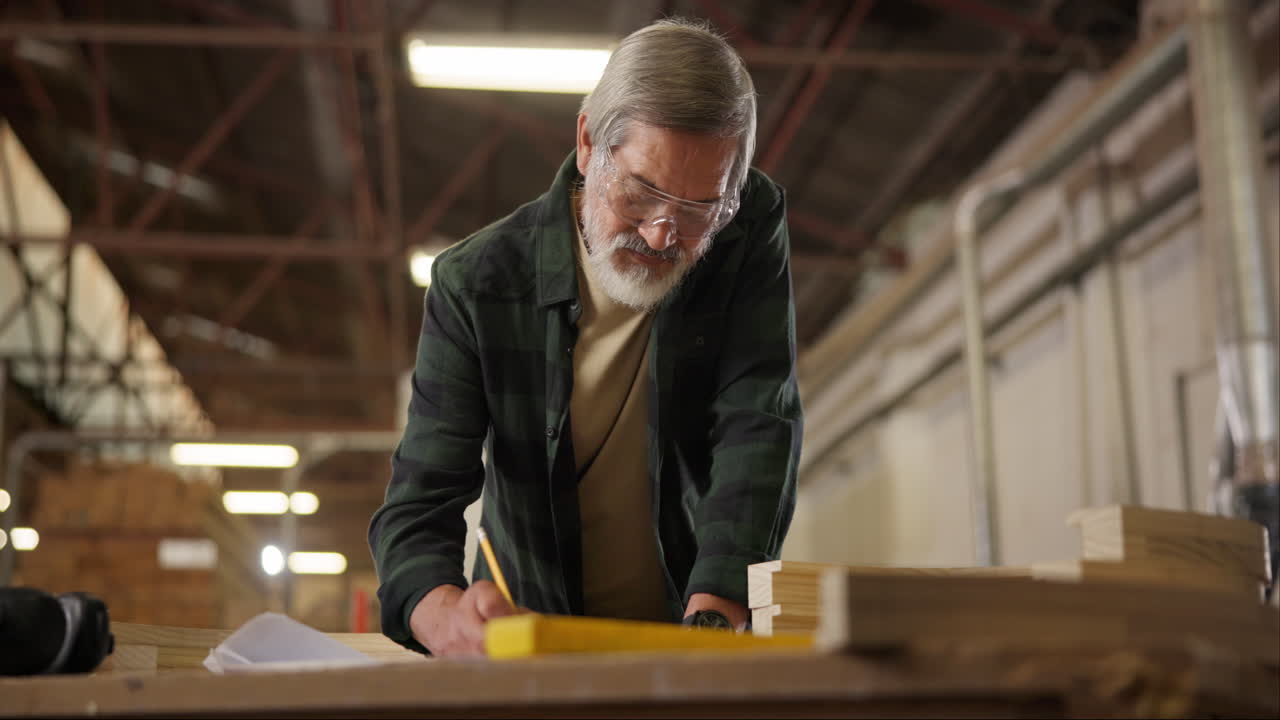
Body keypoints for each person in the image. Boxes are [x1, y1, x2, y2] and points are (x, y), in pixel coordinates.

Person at [369, 17, 802, 657]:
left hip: (684, 629)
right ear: (587, 143)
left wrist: (716, 614)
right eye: (641, 194)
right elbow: (420, 500)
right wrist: (445, 616)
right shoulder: (477, 285)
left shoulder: (746, 227)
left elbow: (758, 418)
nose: (663, 234)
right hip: (524, 640)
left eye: (697, 212)